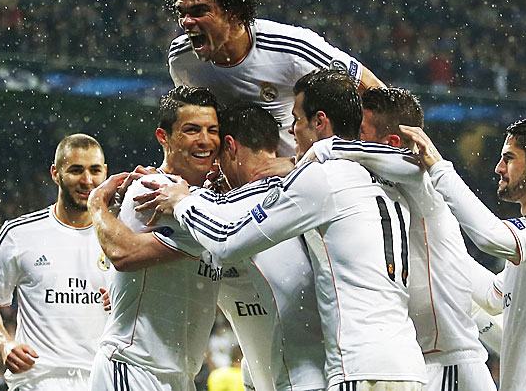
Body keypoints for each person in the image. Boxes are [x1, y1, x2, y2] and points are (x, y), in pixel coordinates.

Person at [145, 69, 428, 390]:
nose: (292, 132)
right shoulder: (392, 175)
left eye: (297, 120)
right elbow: (413, 160)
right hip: (409, 364)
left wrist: (184, 201)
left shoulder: (320, 178)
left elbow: (226, 242)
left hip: (359, 367)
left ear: (319, 122)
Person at [303, 87, 500, 390]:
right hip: (429, 363)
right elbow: (483, 289)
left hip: (446, 365)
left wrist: (328, 148)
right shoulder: (392, 203)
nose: (352, 139)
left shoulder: (422, 184)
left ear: (393, 143)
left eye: (360, 132)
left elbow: (406, 163)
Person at [399, 115, 526, 391]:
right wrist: (433, 245)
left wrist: (438, 168)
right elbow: (494, 297)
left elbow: (489, 236)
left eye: (509, 158)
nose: (499, 168)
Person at [165, 0, 384, 156]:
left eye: (199, 11)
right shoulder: (181, 59)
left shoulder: (292, 49)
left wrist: (383, 155)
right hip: (235, 178)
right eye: (181, 12)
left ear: (233, 12)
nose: (186, 22)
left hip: (297, 174)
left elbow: (374, 92)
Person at [87, 86, 222, 391]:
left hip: (178, 374)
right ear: (164, 137)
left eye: (212, 130)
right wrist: (96, 203)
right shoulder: (153, 190)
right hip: (134, 366)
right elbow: (123, 255)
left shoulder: (207, 200)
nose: (205, 140)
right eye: (192, 130)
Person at [0, 134, 110, 391]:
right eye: (76, 170)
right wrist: (5, 343)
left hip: (102, 379)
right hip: (38, 380)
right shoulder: (19, 234)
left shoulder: (120, 235)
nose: (87, 180)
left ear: (105, 172)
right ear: (55, 173)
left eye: (94, 170)